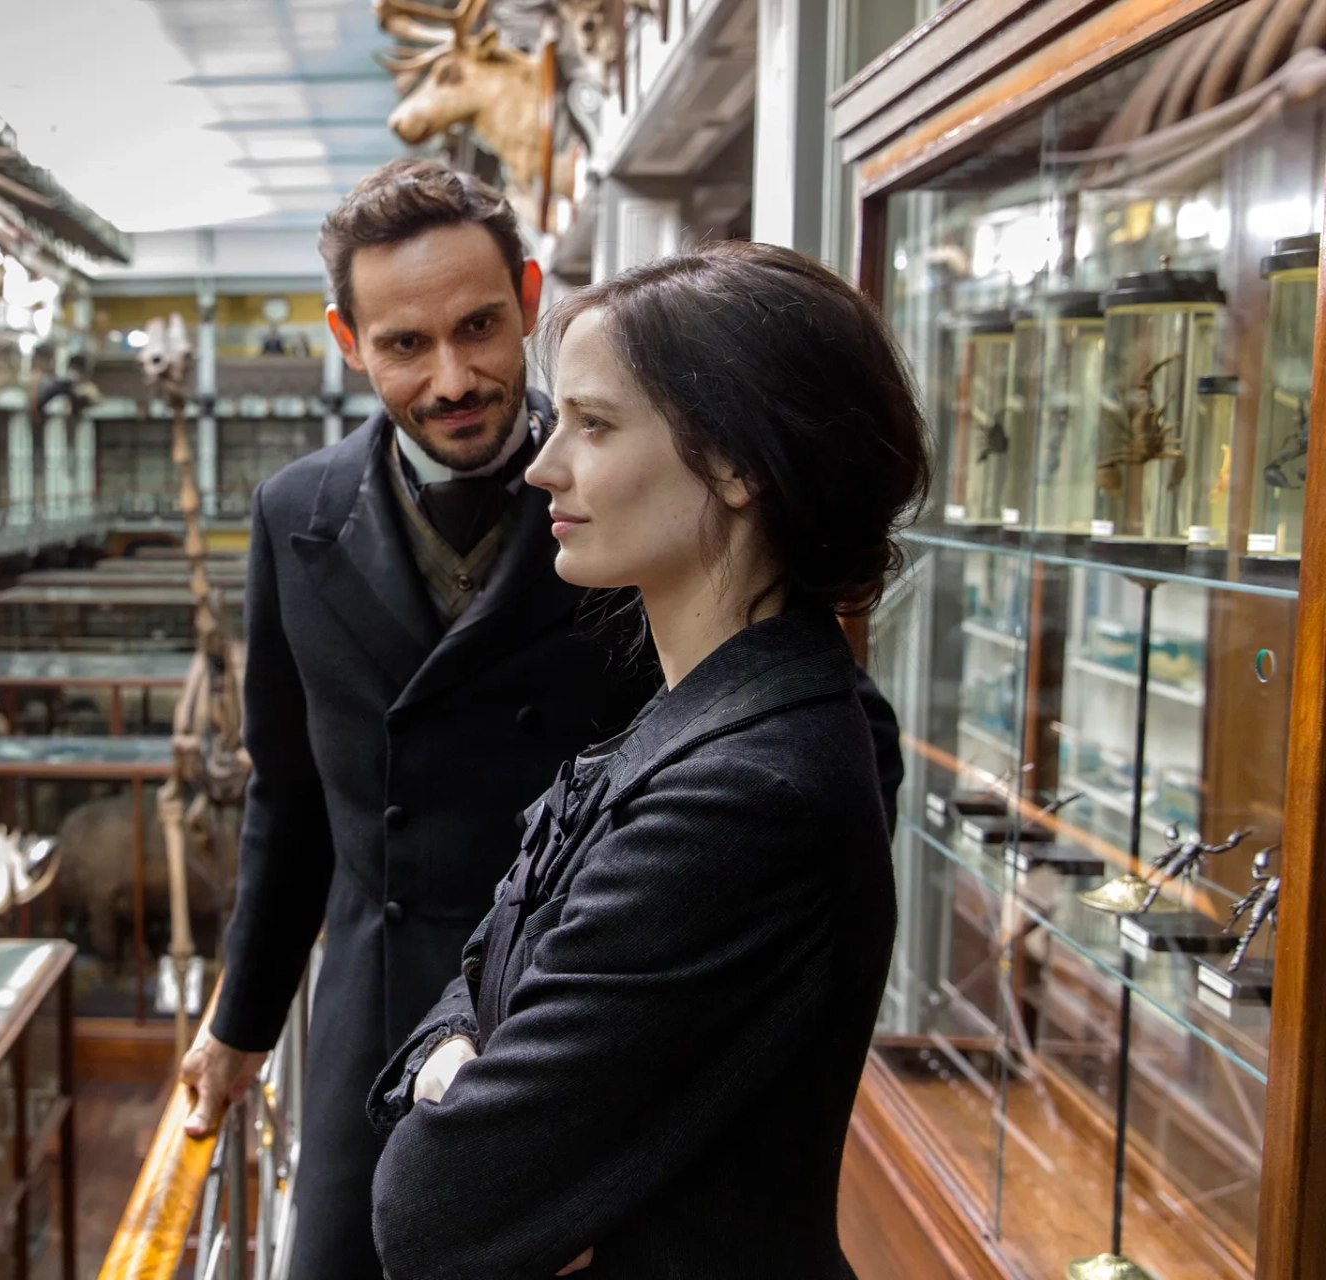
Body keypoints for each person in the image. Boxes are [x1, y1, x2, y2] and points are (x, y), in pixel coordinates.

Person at [180, 160, 900, 1279]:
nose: (457, 376)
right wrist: (242, 1018)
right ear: (348, 338)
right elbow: (290, 794)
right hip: (391, 1004)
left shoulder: (661, 546)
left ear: (524, 297)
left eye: (480, 327)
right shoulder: (294, 515)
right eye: (406, 343)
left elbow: (689, 814)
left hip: (605, 1008)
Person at [367, 242, 932, 1279]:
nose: (544, 464)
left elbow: (432, 1203)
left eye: (594, 424)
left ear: (736, 460)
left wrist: (462, 1084)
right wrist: (466, 1065)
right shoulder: (694, 722)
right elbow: (471, 982)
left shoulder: (745, 791)